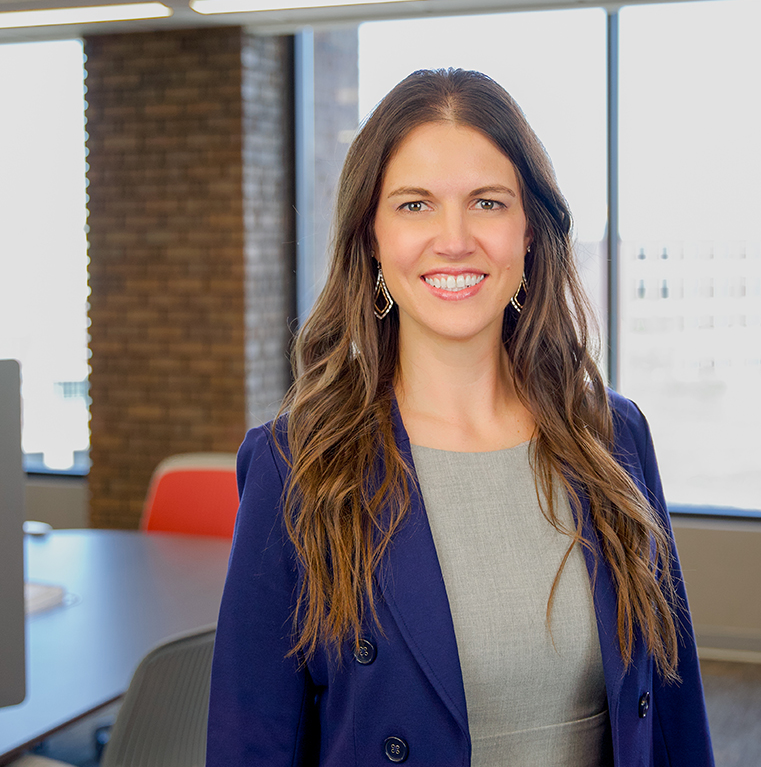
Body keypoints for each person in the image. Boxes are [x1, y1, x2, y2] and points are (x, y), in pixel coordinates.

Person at [207, 68, 714, 767]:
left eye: (487, 202)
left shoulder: (614, 438)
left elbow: (672, 721)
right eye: (415, 205)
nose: (454, 239)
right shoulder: (298, 464)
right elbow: (250, 743)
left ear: (530, 231)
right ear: (372, 237)